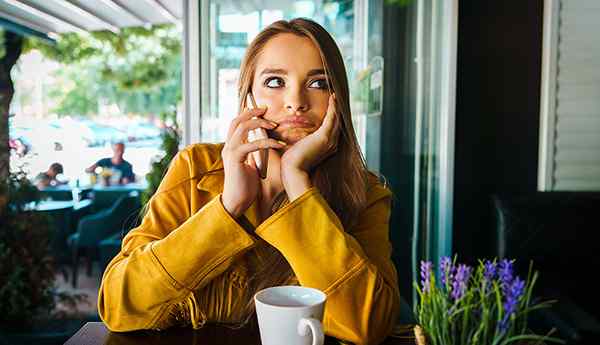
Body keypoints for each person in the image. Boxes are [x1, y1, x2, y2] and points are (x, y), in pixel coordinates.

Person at [98, 18, 399, 345]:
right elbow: (117, 304)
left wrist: (297, 182)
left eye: (318, 83)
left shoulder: (365, 192)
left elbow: (370, 325)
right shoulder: (195, 167)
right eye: (274, 81)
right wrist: (228, 207)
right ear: (248, 99)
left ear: (337, 99)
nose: (295, 101)